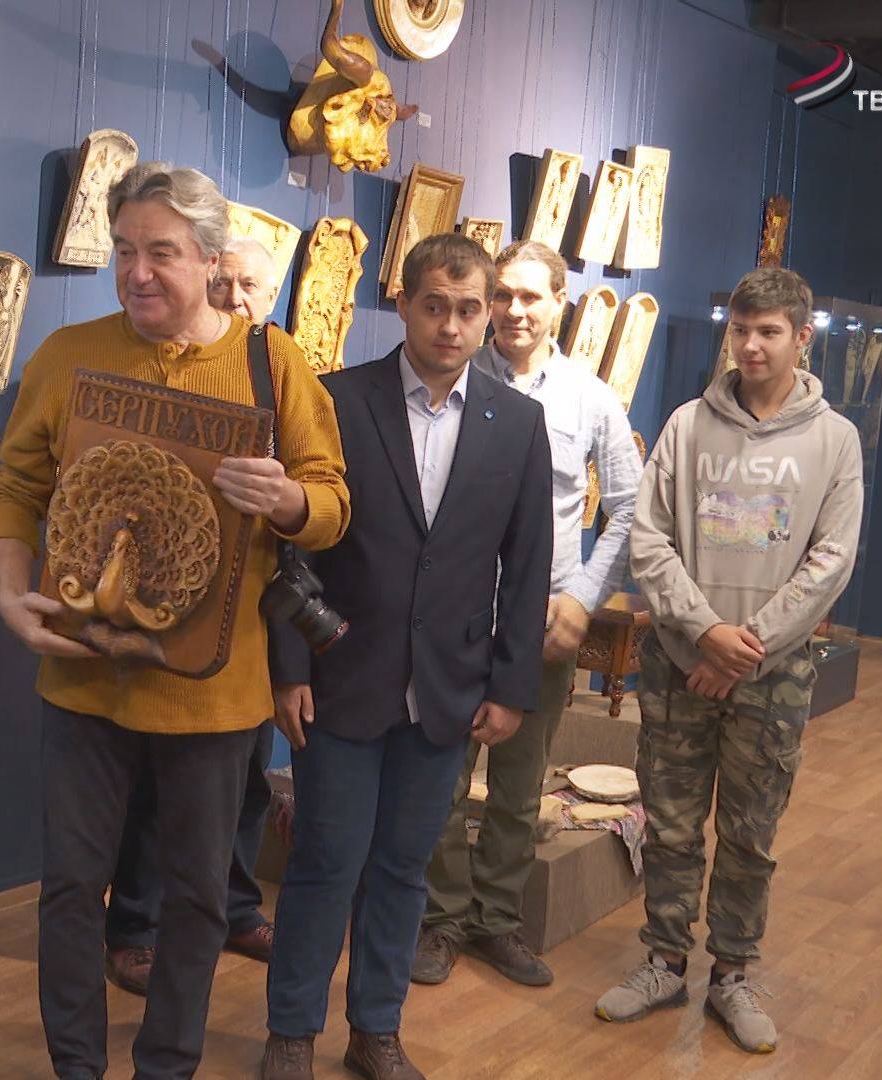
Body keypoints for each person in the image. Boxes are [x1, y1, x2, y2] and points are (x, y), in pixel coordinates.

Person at [0, 161, 350, 1080]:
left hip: (212, 692)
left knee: (195, 900)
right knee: (72, 889)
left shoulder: (274, 365)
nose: (136, 272)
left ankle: (167, 1067)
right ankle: (76, 1067)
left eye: (161, 253)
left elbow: (333, 502)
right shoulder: (69, 356)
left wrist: (287, 500)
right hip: (84, 679)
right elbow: (17, 488)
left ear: (212, 258)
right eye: (122, 251)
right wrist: (10, 590)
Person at [259, 234, 554, 1080]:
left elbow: (527, 566)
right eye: (434, 307)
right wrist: (290, 668)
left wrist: (511, 686)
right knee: (325, 861)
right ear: (403, 305)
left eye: (468, 310)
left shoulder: (517, 424)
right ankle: (291, 1031)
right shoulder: (336, 400)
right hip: (341, 678)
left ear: (487, 314)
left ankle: (376, 1030)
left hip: (449, 691)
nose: (451, 327)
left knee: (403, 867)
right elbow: (289, 551)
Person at [594, 267, 863, 1054]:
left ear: (801, 338)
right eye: (740, 329)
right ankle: (664, 961)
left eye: (768, 331)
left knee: (750, 834)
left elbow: (831, 560)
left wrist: (745, 648)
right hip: (681, 662)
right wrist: (705, 631)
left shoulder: (834, 440)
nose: (750, 345)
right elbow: (649, 539)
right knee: (672, 825)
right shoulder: (686, 425)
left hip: (771, 675)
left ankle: (734, 975)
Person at [414, 239, 643, 987]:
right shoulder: (450, 377)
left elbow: (630, 507)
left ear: (559, 304)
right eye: (503, 295)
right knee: (442, 780)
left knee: (519, 784)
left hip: (544, 623)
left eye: (531, 296)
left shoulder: (590, 399)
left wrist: (583, 599)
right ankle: (441, 919)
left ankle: (496, 921)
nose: (515, 310)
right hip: (454, 619)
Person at [98, 236, 296, 1000]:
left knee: (248, 782)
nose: (236, 296)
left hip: (252, 622)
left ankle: (237, 908)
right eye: (226, 281)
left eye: (252, 286)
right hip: (171, 608)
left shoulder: (281, 374)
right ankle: (135, 926)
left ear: (272, 298)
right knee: (158, 786)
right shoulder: (170, 369)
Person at [210, 237, 283, 327]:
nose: (234, 300)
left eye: (249, 285)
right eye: (221, 285)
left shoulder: (279, 337)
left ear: (271, 299)